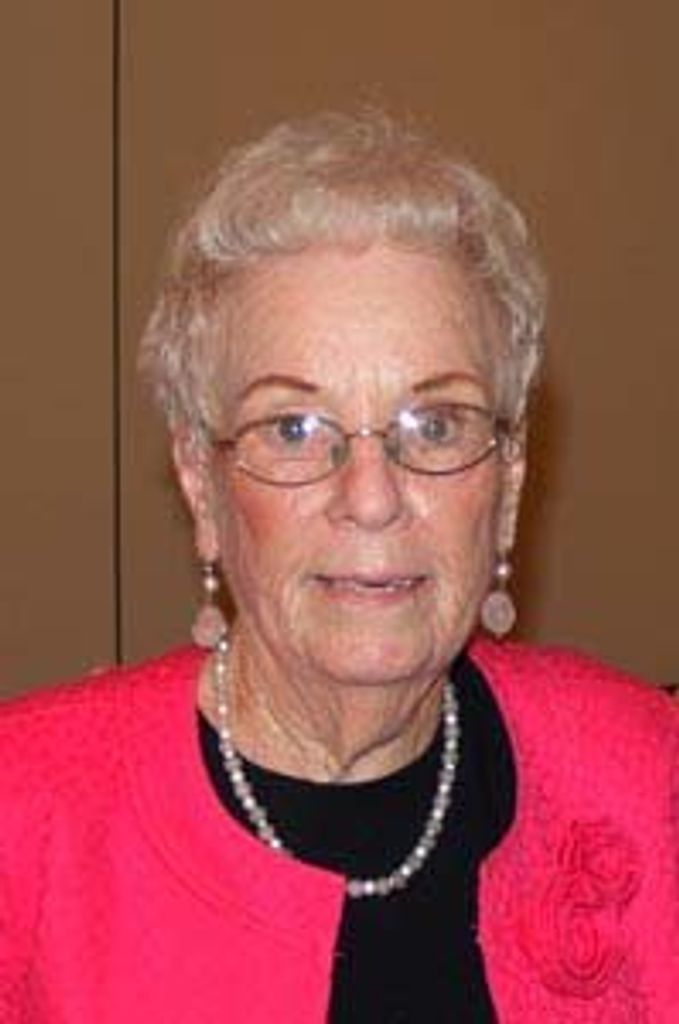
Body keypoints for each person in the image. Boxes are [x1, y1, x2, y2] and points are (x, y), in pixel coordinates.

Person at [1, 111, 677, 1023]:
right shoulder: (23, 819)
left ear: (508, 482)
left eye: (434, 424)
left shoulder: (647, 775)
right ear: (202, 485)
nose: (371, 497)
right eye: (293, 428)